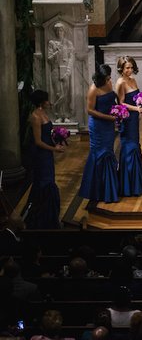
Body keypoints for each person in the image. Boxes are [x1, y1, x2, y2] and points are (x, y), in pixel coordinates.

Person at [79, 64, 120, 203]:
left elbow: (111, 100)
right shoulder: (93, 89)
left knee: (108, 152)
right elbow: (90, 110)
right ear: (101, 77)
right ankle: (96, 190)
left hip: (108, 125)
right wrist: (110, 118)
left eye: (110, 77)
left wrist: (118, 112)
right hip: (98, 126)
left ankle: (109, 188)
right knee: (99, 153)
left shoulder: (108, 84)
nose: (110, 79)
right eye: (108, 77)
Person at [24, 90, 64, 229]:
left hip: (47, 154)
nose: (49, 102)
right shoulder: (35, 116)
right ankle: (41, 218)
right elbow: (38, 141)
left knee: (49, 180)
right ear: (42, 102)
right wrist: (55, 149)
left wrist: (57, 140)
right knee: (44, 182)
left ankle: (50, 216)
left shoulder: (44, 113)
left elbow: (47, 134)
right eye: (47, 100)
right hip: (41, 155)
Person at [115, 56, 142, 197]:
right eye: (127, 67)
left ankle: (136, 183)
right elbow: (120, 103)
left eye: (131, 67)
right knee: (129, 147)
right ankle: (128, 185)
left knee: (135, 145)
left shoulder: (133, 80)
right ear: (121, 69)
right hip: (127, 119)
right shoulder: (120, 83)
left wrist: (141, 102)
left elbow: (136, 97)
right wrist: (136, 109)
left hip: (134, 118)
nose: (129, 70)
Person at [47, 22, 74, 123]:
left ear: (64, 31)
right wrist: (56, 52)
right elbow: (49, 59)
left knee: (66, 93)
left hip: (65, 70)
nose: (59, 32)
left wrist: (68, 71)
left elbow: (71, 58)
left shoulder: (68, 43)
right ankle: (58, 115)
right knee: (58, 92)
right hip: (55, 70)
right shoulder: (52, 43)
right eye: (57, 30)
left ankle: (66, 115)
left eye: (61, 30)